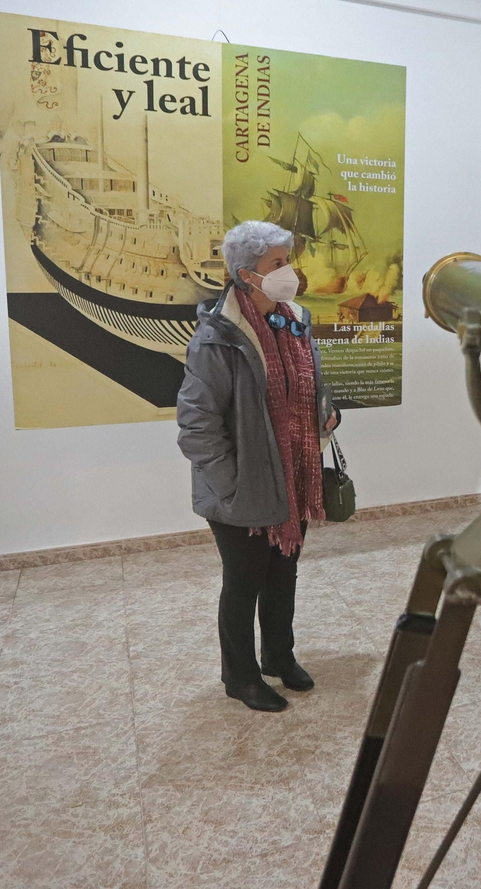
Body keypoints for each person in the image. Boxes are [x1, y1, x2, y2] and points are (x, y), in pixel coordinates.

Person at [177, 221, 339, 712]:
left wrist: (325, 411)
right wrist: (231, 486)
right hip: (241, 488)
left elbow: (308, 384)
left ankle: (278, 656)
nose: (290, 271)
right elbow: (196, 425)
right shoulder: (217, 338)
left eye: (288, 260)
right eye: (278, 263)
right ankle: (240, 676)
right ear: (247, 275)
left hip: (291, 478)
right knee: (243, 582)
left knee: (283, 574)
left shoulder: (294, 321)